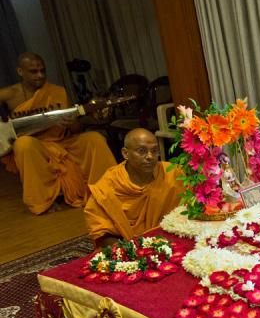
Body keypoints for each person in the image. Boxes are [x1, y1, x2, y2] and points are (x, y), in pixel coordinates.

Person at [0, 52, 116, 214]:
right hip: (36, 146)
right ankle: (44, 201)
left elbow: (76, 129)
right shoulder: (10, 94)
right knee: (23, 144)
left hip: (62, 142)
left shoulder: (57, 91)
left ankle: (107, 190)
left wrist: (72, 123)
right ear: (20, 71)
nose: (40, 75)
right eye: (33, 71)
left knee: (94, 138)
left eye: (42, 71)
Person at [84, 128, 184, 247]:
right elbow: (101, 232)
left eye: (154, 151)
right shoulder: (109, 185)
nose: (150, 156)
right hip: (125, 247)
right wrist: (130, 250)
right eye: (142, 151)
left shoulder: (172, 174)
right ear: (125, 153)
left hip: (168, 239)